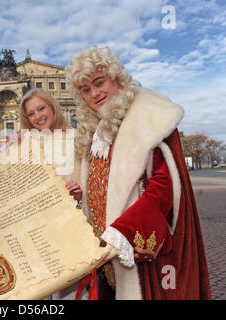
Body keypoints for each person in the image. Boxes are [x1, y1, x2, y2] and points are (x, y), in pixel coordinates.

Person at [64, 45, 211, 300]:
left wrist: (126, 231)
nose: (94, 94)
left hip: (140, 255)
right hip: (103, 260)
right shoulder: (91, 132)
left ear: (117, 78)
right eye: (86, 90)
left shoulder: (149, 116)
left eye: (99, 83)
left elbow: (165, 183)